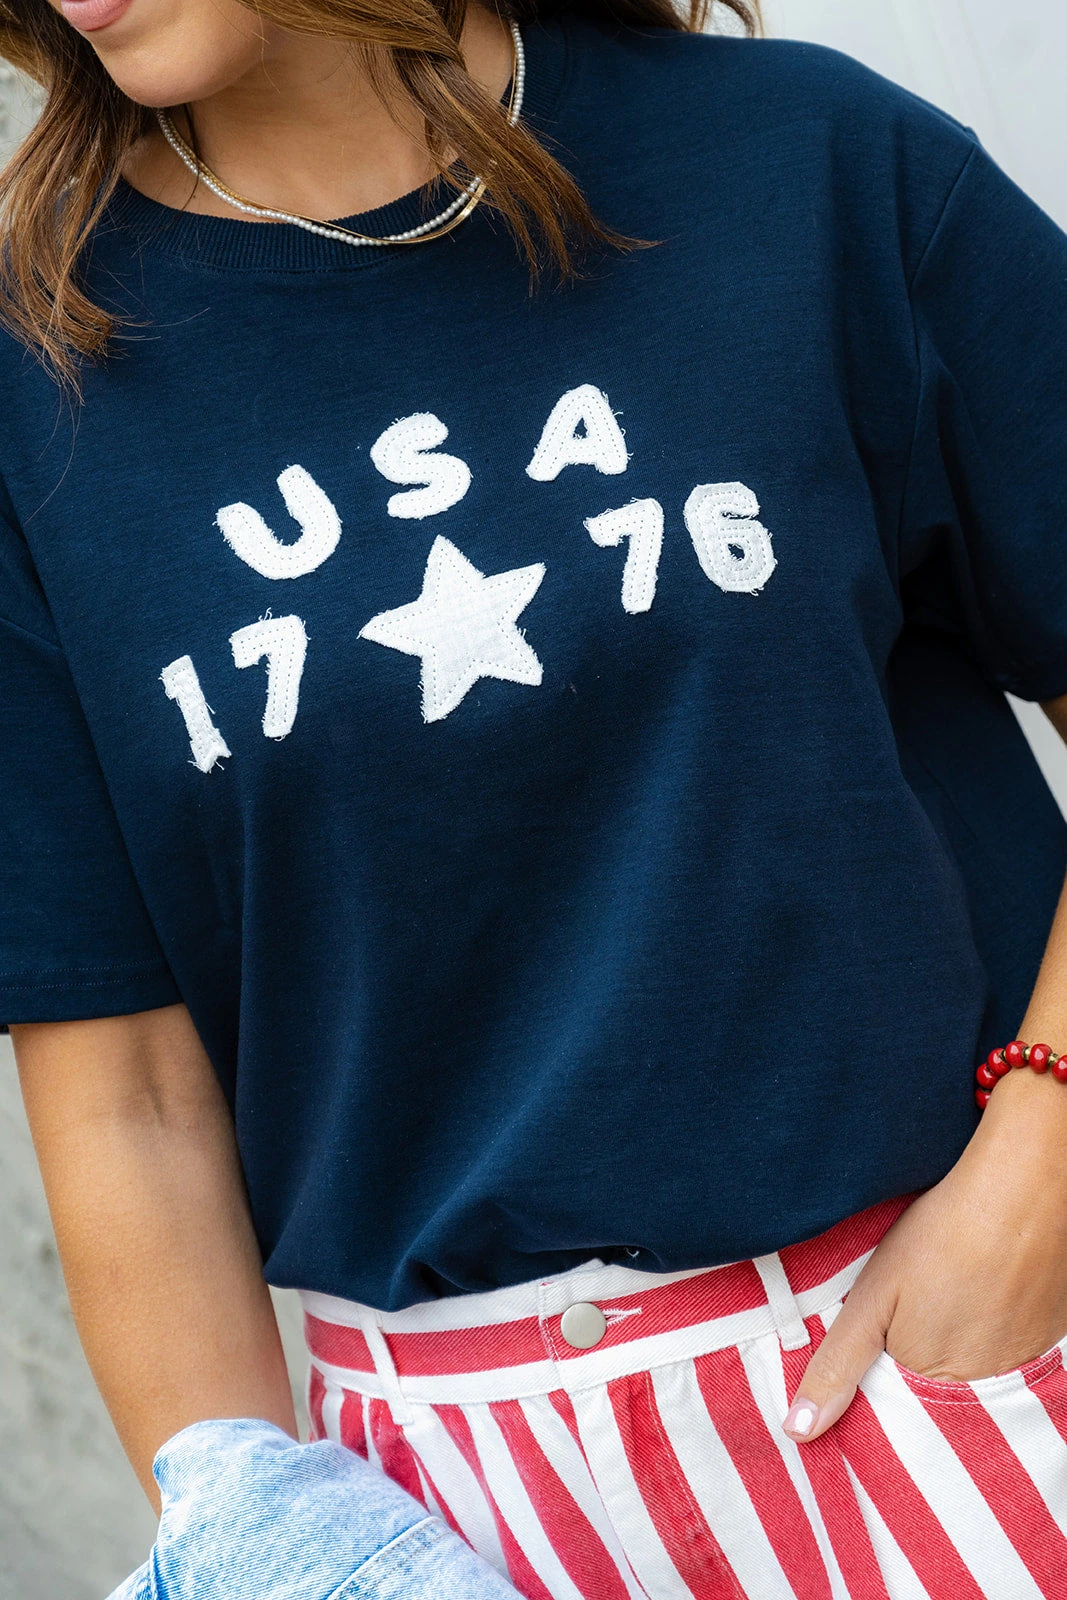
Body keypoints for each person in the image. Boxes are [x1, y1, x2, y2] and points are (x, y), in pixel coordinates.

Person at [2, 0, 1067, 1595]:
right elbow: (126, 1089)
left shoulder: (805, 161)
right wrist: (272, 1535)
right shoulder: (36, 377)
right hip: (447, 1506)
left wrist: (1040, 1173)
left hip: (966, 1364)